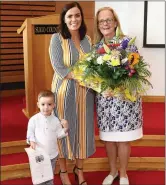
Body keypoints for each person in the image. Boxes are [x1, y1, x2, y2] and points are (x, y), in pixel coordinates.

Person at [94, 7, 143, 185]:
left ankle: (123, 174)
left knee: (123, 139)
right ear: (98, 25)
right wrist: (101, 88)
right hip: (106, 100)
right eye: (101, 21)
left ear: (115, 22)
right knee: (108, 139)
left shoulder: (128, 44)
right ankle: (113, 171)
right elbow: (92, 77)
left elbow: (135, 72)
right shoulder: (96, 48)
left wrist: (120, 86)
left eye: (108, 20)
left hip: (124, 99)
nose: (105, 24)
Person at [49, 2, 95, 185]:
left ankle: (80, 170)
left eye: (77, 15)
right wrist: (83, 78)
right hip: (63, 92)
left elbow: (91, 66)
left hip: (85, 94)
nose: (74, 19)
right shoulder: (57, 39)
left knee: (82, 131)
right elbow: (59, 67)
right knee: (63, 130)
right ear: (64, 19)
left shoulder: (88, 40)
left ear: (81, 17)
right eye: (69, 16)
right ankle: (63, 171)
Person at [26, 90, 69, 185]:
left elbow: (59, 135)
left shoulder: (55, 120)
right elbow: (30, 132)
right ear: (38, 105)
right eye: (43, 104)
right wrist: (32, 141)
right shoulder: (34, 120)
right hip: (39, 154)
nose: (46, 107)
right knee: (39, 175)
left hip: (52, 154)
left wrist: (65, 128)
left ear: (53, 105)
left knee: (49, 175)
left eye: (49, 104)